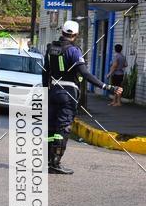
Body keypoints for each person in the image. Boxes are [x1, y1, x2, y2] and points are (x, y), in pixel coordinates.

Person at [43, 20, 123, 175]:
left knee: (51, 127)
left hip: (53, 92)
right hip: (68, 94)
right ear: (76, 34)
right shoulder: (74, 51)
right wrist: (107, 87)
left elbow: (45, 72)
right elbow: (85, 74)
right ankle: (55, 163)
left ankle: (48, 161)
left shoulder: (50, 48)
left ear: (62, 32)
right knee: (63, 128)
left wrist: (45, 92)